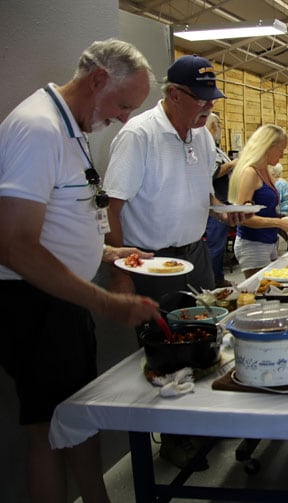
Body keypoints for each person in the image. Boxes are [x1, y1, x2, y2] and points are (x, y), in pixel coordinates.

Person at [0, 38, 162, 503]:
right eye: (124, 104)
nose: (125, 118)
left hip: (59, 302)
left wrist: (109, 254)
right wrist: (106, 301)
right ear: (96, 81)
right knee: (50, 429)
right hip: (34, 303)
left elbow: (62, 218)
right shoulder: (38, 128)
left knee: (75, 421)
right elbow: (13, 244)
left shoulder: (72, 128)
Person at [104, 54, 248, 469]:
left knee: (206, 338)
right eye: (201, 99)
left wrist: (224, 209)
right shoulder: (140, 135)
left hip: (195, 252)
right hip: (150, 261)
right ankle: (173, 437)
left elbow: (205, 194)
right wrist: (122, 274)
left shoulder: (201, 136)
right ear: (172, 94)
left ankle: (201, 423)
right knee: (168, 349)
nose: (209, 107)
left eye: (212, 99)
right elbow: (112, 208)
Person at [227, 125, 288, 278]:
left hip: (269, 241)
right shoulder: (250, 172)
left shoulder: (265, 170)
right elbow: (244, 219)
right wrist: (279, 223)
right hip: (253, 243)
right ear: (269, 147)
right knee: (261, 292)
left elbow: (267, 210)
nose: (282, 155)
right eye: (281, 150)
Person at [204, 112, 236, 287]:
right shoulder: (207, 148)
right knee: (215, 247)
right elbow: (214, 173)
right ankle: (213, 281)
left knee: (219, 245)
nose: (220, 129)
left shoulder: (216, 148)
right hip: (215, 204)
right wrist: (232, 164)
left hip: (223, 202)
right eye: (219, 125)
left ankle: (217, 277)